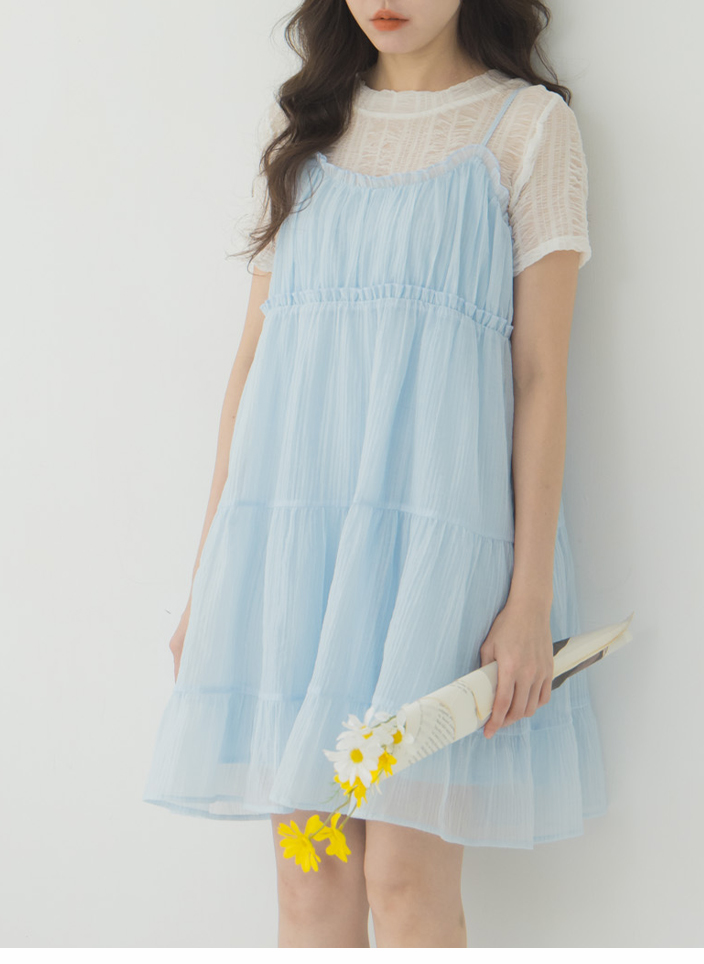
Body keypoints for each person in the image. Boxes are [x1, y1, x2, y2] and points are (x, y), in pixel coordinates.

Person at [143, 0, 608, 948]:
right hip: (295, 578)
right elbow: (251, 369)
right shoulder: (309, 134)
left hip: (431, 578)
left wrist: (529, 600)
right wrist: (210, 580)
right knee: (309, 879)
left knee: (404, 878)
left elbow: (539, 376)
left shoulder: (526, 129)